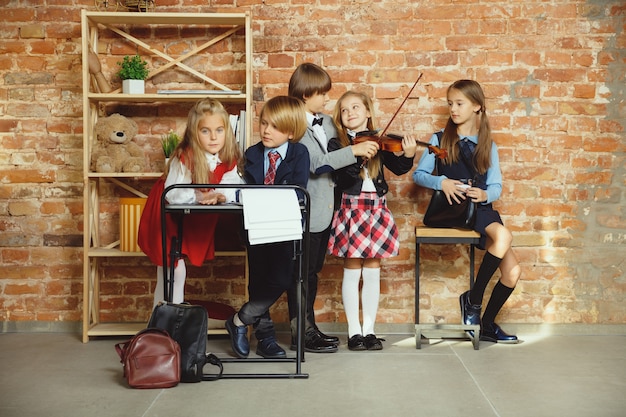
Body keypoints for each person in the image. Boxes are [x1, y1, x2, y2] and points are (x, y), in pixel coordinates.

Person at [412, 79, 521, 343]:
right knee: (504, 237)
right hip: (456, 210)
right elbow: (419, 175)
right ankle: (473, 301)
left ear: (477, 107)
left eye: (459, 103)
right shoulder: (439, 139)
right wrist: (442, 181)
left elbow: (496, 186)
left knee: (513, 272)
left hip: (482, 209)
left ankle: (486, 323)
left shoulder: (487, 144)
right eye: (450, 104)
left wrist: (485, 194)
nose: (453, 109)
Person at [286, 63, 380, 353]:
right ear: (305, 95)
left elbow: (337, 143)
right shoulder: (294, 124)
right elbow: (316, 164)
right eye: (322, 93)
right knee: (300, 272)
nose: (327, 99)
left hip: (327, 209)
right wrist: (352, 152)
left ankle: (308, 327)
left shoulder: (325, 121)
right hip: (306, 209)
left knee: (311, 271)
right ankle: (300, 331)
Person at [327, 91, 417, 350]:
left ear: (367, 112)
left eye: (356, 107)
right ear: (340, 117)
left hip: (377, 209)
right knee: (353, 267)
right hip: (351, 210)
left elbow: (399, 168)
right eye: (344, 110)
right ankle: (353, 332)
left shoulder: (380, 141)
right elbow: (343, 180)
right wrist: (356, 153)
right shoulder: (338, 145)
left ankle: (370, 330)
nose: (350, 113)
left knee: (373, 269)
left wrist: (408, 154)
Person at [225, 96, 310, 359]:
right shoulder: (252, 153)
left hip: (284, 228)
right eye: (263, 123)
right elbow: (246, 190)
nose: (266, 130)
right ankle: (266, 339)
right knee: (259, 282)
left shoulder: (299, 154)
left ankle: (239, 320)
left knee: (282, 278)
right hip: (256, 227)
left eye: (274, 126)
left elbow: (297, 192)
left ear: (291, 131)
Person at [138, 98, 243, 307]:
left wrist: (222, 195)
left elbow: (234, 186)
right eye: (205, 131)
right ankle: (168, 326)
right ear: (195, 132)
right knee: (173, 269)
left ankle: (160, 326)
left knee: (170, 269)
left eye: (219, 130)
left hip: (190, 218)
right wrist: (199, 196)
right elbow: (174, 194)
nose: (214, 137)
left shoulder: (228, 157)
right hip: (166, 212)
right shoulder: (185, 155)